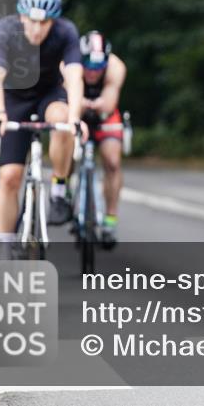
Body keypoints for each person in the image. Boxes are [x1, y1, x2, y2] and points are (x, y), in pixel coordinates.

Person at [0, 0, 89, 248]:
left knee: (63, 119)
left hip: (49, 93)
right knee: (9, 177)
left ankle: (58, 189)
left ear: (53, 21)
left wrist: (76, 118)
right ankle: (4, 247)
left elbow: (74, 77)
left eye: (44, 23)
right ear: (21, 16)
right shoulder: (5, 30)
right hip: (13, 98)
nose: (37, 29)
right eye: (31, 21)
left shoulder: (66, 32)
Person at [77, 30, 128, 248]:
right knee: (66, 147)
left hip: (105, 113)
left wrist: (93, 104)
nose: (92, 72)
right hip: (76, 111)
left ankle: (110, 220)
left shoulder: (116, 67)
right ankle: (64, 192)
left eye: (98, 67)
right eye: (88, 65)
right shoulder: (69, 62)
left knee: (112, 161)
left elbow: (108, 103)